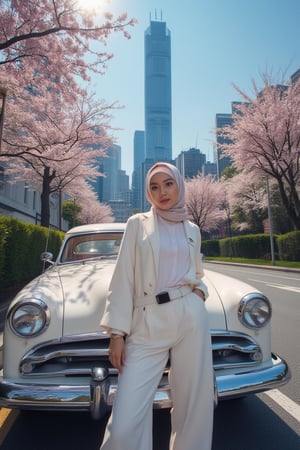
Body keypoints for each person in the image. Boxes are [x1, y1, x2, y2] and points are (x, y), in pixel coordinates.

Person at [100, 162, 214, 450]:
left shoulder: (192, 228)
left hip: (190, 318)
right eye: (154, 186)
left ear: (178, 185)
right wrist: (117, 333)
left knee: (195, 404)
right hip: (148, 320)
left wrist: (199, 293)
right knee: (125, 424)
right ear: (148, 192)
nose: (162, 191)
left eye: (168, 184)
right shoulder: (138, 224)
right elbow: (123, 277)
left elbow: (196, 272)